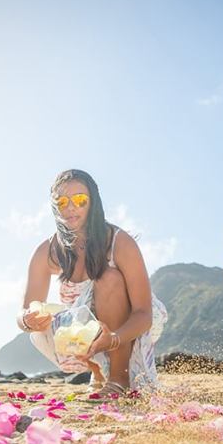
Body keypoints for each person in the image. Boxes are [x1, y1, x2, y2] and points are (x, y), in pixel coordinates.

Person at [18, 169, 163, 397]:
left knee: (108, 278)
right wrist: (27, 320)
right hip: (75, 337)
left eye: (80, 200)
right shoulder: (47, 251)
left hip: (126, 327)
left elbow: (144, 313)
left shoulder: (118, 242)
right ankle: (97, 371)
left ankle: (119, 378)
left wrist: (113, 339)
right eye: (62, 201)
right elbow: (26, 311)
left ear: (93, 202)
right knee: (67, 314)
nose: (71, 207)